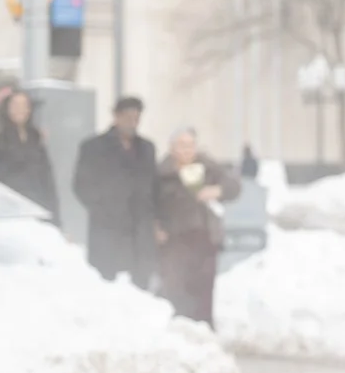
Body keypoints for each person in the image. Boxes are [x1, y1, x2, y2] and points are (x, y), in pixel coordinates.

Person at [155, 127, 241, 324]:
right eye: (182, 145)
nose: (187, 150)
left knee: (203, 289)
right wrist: (156, 226)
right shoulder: (162, 173)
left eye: (190, 145)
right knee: (175, 287)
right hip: (174, 239)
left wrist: (216, 191)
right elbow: (151, 203)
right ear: (172, 148)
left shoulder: (208, 168)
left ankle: (203, 328)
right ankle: (179, 328)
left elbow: (233, 186)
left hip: (205, 237)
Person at [73, 96, 159, 288]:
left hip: (138, 231)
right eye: (128, 117)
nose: (132, 122)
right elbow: (81, 185)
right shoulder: (94, 147)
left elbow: (154, 187)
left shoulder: (146, 148)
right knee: (107, 286)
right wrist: (102, 208)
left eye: (136, 118)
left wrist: (154, 220)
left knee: (139, 287)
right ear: (116, 117)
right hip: (107, 230)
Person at [0, 89, 60, 221]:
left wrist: (55, 217)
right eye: (15, 105)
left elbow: (47, 179)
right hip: (10, 210)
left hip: (38, 206)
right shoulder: (1, 139)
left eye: (25, 106)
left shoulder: (36, 139)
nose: (21, 110)